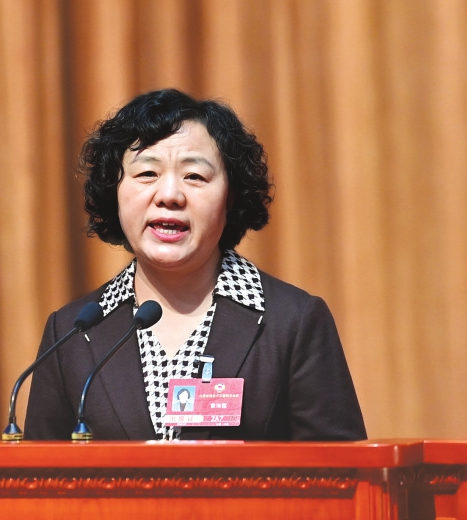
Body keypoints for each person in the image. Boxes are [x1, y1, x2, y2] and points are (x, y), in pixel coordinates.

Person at [24, 88, 367, 441]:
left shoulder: (292, 322)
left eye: (194, 177)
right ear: (114, 191)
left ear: (230, 196)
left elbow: (339, 467)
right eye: (147, 173)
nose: (169, 195)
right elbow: (39, 472)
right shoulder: (72, 333)